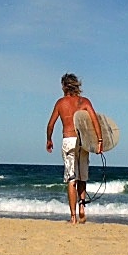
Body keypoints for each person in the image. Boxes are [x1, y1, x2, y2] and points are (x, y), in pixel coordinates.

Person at [46, 73, 104, 224]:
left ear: (64, 86)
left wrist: (49, 139)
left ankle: (73, 217)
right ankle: (82, 207)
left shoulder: (61, 103)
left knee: (71, 177)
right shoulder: (84, 101)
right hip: (82, 141)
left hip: (68, 140)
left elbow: (51, 124)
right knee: (82, 177)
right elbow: (95, 121)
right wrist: (99, 141)